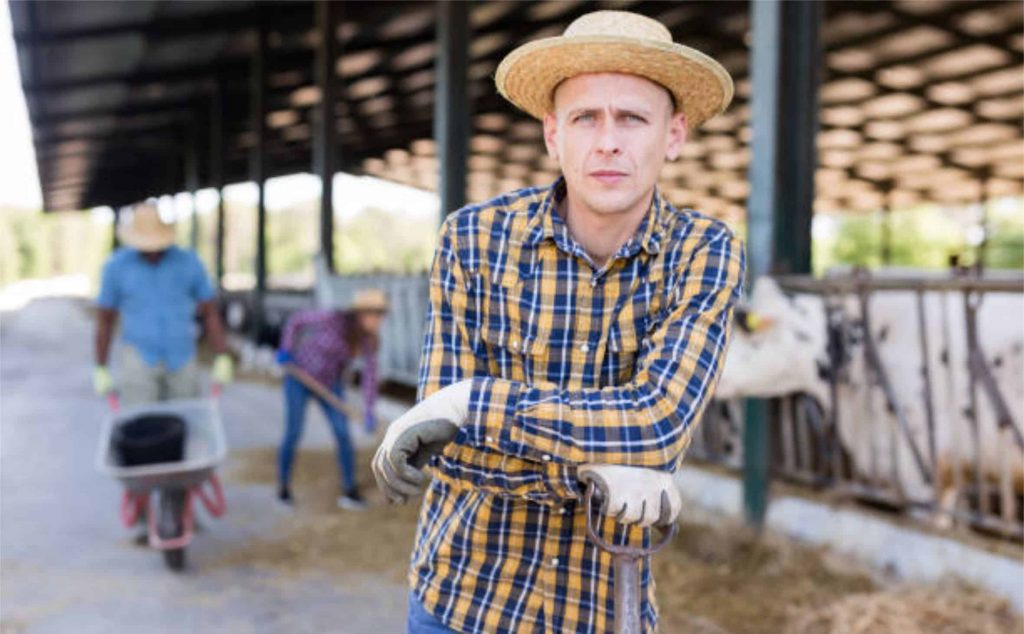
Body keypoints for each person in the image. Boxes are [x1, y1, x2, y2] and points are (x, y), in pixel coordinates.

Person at [373, 10, 746, 633]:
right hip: (461, 599)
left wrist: (473, 403)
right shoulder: (473, 238)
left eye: (632, 117)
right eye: (584, 118)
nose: (608, 141)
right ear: (552, 135)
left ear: (673, 135)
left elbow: (658, 425)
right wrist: (606, 461)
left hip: (599, 611)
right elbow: (449, 456)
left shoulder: (704, 250)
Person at [94, 203, 233, 407]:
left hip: (182, 355)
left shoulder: (188, 262)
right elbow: (105, 319)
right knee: (142, 426)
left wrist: (222, 355)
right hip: (139, 356)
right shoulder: (116, 267)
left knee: (184, 420)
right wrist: (101, 366)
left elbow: (209, 311)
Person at [275, 288, 387, 510]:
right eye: (374, 314)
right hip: (299, 376)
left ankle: (349, 491)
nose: (378, 320)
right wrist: (286, 348)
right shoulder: (333, 319)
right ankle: (283, 488)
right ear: (360, 314)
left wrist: (369, 410)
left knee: (343, 433)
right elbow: (296, 321)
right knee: (293, 432)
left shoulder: (367, 341)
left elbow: (370, 377)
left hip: (329, 383)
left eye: (381, 315)